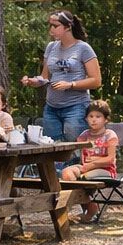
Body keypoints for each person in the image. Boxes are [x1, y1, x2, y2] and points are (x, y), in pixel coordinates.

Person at [21, 10, 101, 149]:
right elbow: (45, 77)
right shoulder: (51, 47)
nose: (51, 29)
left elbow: (96, 81)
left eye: (55, 26)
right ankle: (56, 172)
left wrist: (70, 84)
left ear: (68, 27)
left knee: (74, 147)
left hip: (76, 107)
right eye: (50, 25)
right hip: (52, 107)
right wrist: (33, 81)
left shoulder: (83, 48)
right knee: (51, 148)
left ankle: (74, 170)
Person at [62, 99, 118, 221]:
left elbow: (110, 159)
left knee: (83, 177)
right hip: (86, 167)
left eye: (98, 116)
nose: (94, 119)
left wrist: (91, 165)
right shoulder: (84, 136)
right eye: (91, 116)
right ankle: (90, 206)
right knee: (67, 173)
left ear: (106, 119)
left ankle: (66, 210)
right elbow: (82, 158)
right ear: (86, 118)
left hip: (106, 169)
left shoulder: (110, 135)